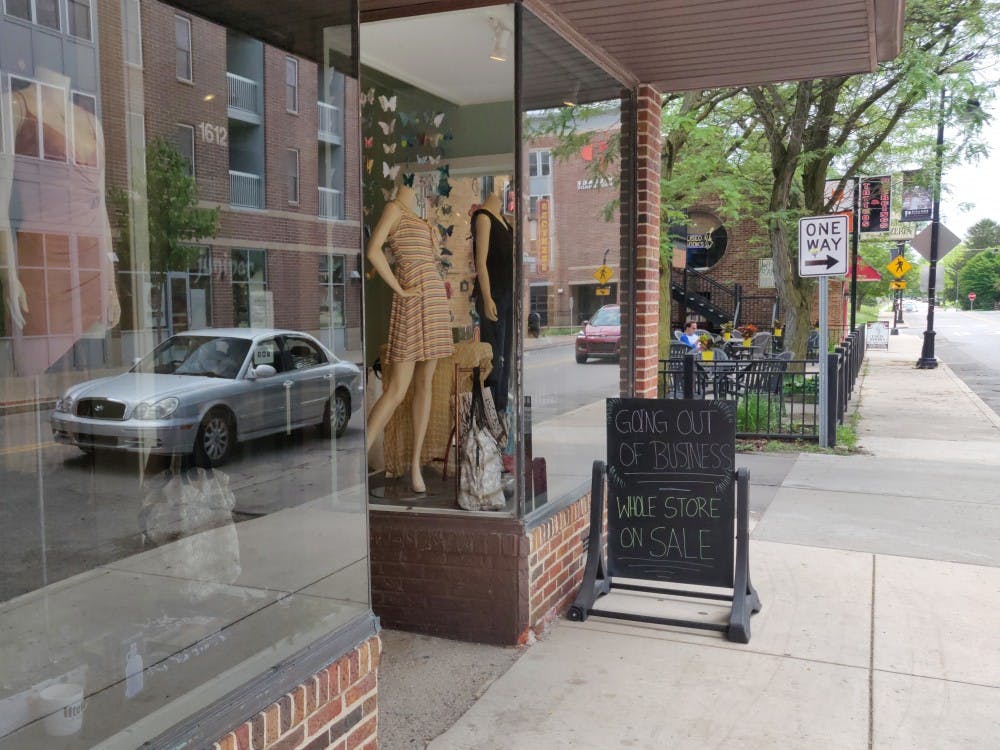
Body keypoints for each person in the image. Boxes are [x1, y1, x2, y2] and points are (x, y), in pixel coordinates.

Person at [364, 183, 453, 494]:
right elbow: (372, 251)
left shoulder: (421, 217)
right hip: (412, 302)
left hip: (433, 302)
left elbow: (431, 263)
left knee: (424, 384)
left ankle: (415, 464)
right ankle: (356, 460)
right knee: (397, 390)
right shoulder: (394, 209)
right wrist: (399, 289)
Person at [472, 192, 513, 412]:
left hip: (507, 296)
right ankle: (489, 414)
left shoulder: (504, 220)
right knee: (493, 360)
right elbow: (481, 262)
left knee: (505, 358)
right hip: (494, 295)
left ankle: (501, 410)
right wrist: (487, 298)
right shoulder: (484, 218)